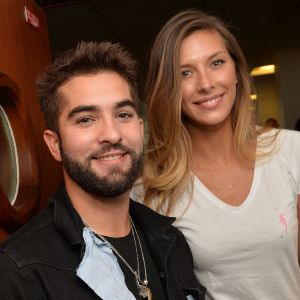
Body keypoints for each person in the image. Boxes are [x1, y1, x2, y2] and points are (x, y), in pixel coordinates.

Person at [0, 41, 205, 300]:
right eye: (86, 119)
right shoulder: (19, 271)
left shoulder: (170, 241)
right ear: (55, 144)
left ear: (140, 128)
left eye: (123, 114)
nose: (111, 134)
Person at [132, 9, 300, 300]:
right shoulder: (152, 191)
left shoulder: (291, 149)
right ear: (170, 88)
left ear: (236, 71)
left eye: (217, 63)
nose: (206, 83)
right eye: (185, 72)